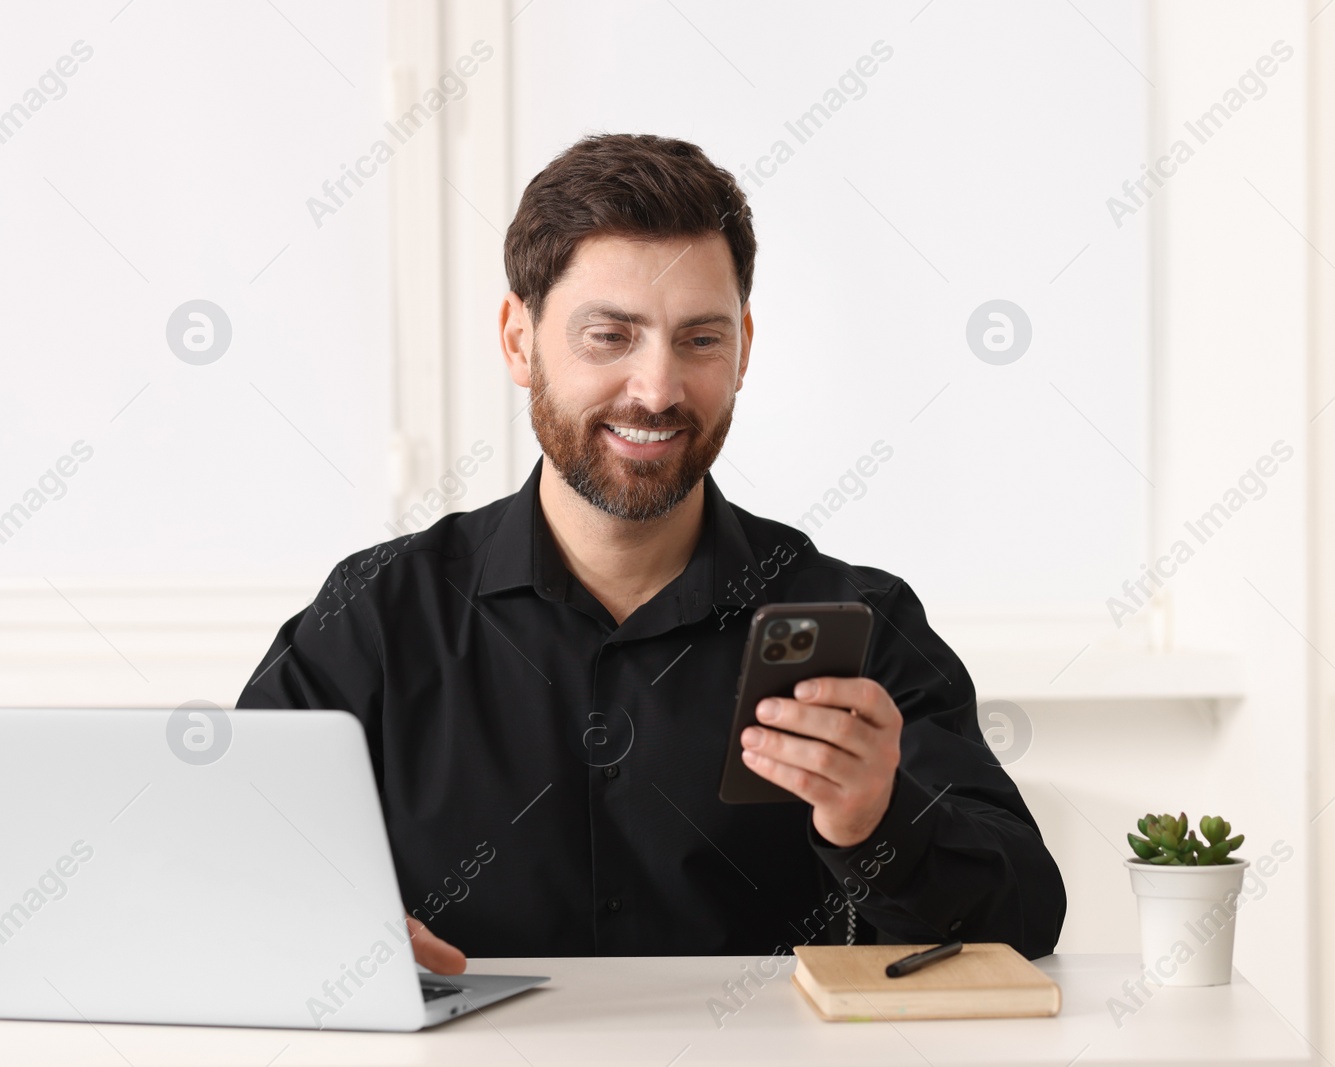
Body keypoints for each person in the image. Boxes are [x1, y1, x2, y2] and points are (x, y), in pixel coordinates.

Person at [238, 132, 1065, 972]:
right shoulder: (379, 614)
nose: (658, 388)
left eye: (700, 340)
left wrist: (879, 822)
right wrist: (335, 931)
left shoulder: (860, 621)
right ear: (519, 340)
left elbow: (1030, 916)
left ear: (743, 347)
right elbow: (230, 860)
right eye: (610, 335)